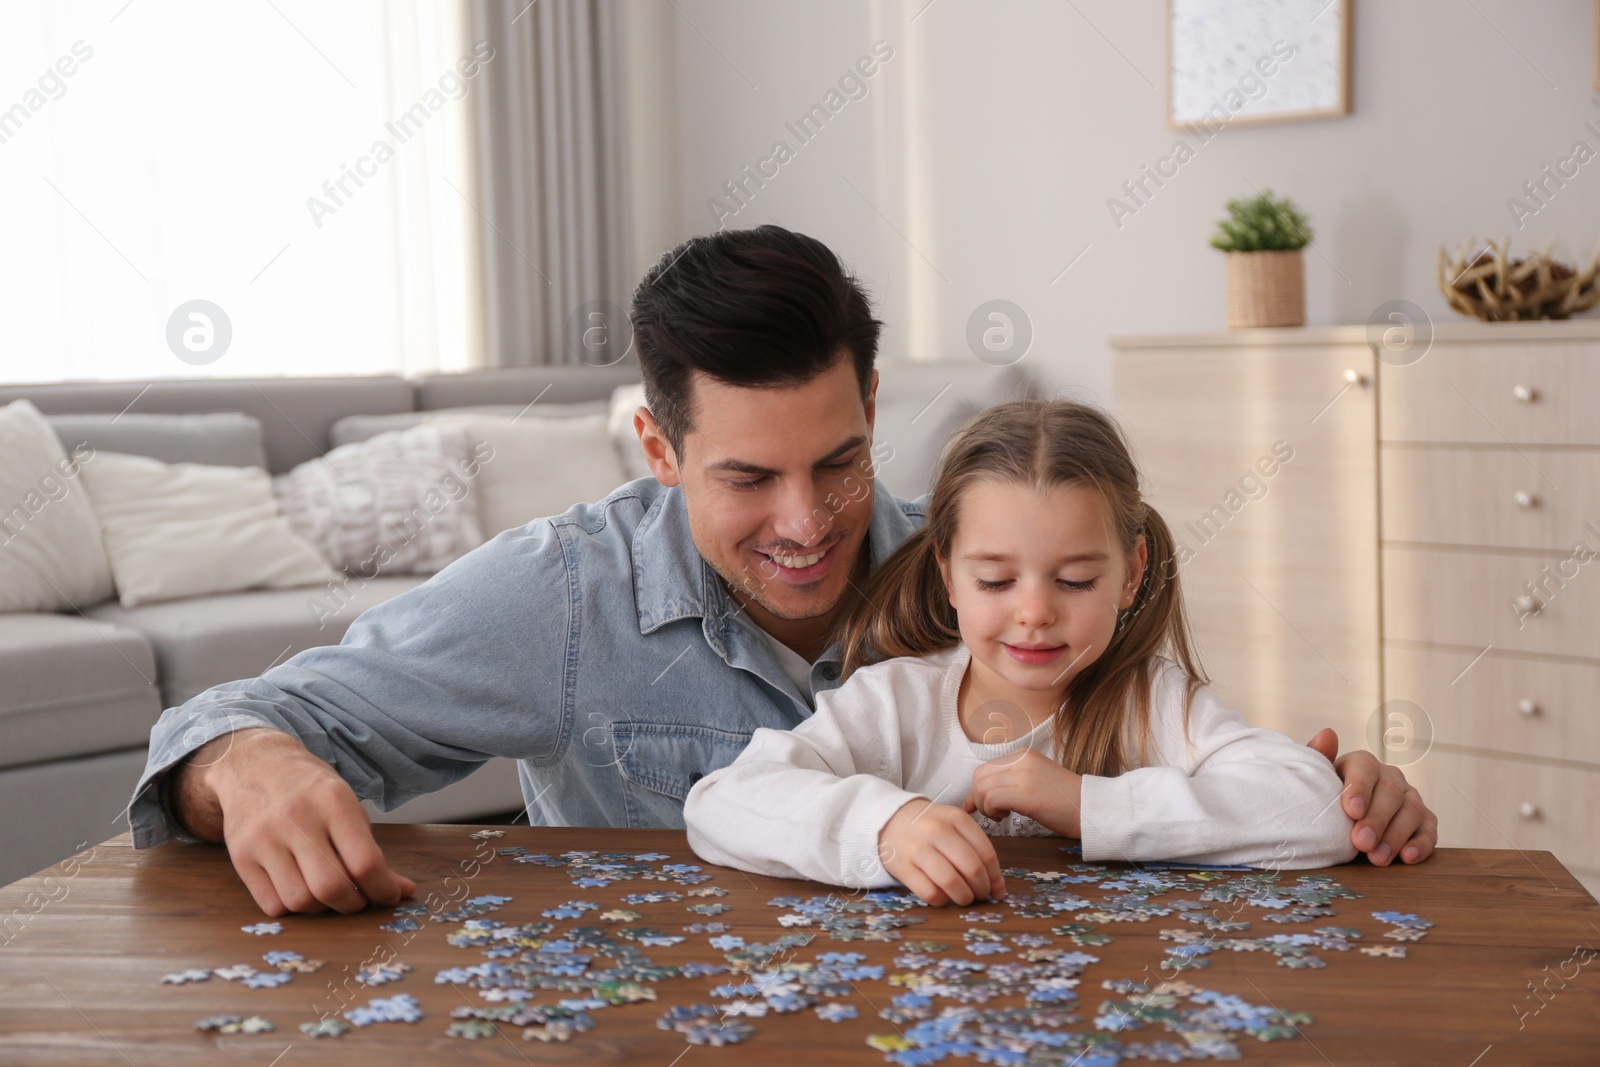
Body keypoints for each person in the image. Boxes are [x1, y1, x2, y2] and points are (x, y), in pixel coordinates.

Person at [128, 225, 1436, 917]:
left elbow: (1184, 750)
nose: (809, 522)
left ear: (873, 398)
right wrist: (242, 764)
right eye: (748, 478)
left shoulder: (978, 577)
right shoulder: (564, 595)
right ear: (658, 444)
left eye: (842, 460)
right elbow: (267, 717)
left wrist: (1340, 793)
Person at [685, 400, 1360, 905]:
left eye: (1074, 580)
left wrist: (1088, 804)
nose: (1035, 611)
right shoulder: (892, 702)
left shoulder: (1154, 704)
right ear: (947, 572)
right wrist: (886, 826)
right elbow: (721, 802)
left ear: (1131, 573)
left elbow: (1318, 811)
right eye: (996, 580)